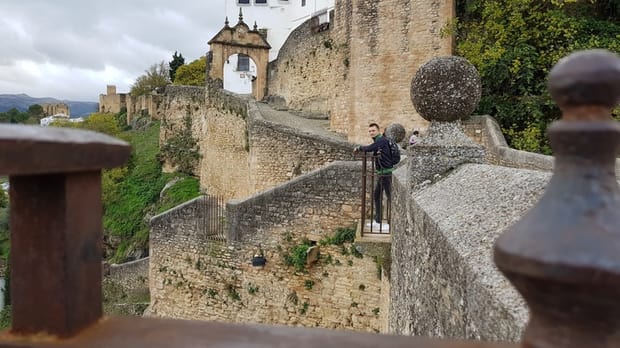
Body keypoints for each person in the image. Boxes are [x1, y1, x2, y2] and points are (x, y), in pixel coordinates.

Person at [354, 123, 393, 231]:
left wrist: (359, 148)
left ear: (378, 130)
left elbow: (369, 148)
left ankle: (391, 223)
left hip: (386, 173)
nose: (371, 133)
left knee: (390, 197)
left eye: (373, 131)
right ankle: (378, 221)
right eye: (370, 131)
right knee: (376, 195)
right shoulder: (378, 141)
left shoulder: (381, 140)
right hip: (382, 173)